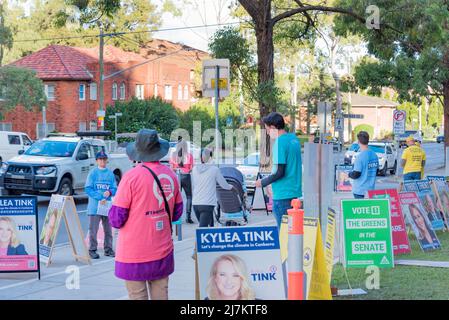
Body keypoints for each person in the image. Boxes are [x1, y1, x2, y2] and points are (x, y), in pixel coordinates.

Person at [108, 129, 183, 300]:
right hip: (162, 249)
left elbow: (116, 219)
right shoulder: (171, 175)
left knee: (137, 295)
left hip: (134, 253)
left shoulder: (131, 177)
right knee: (161, 294)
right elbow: (177, 213)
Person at [255, 112, 302, 229]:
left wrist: (263, 182)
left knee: (284, 234)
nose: (267, 132)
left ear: (273, 127)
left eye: (267, 129)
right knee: (294, 234)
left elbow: (280, 172)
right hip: (295, 192)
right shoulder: (293, 139)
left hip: (282, 195)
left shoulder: (280, 142)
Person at [85, 150, 117, 259]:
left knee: (108, 229)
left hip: (106, 206)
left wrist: (110, 192)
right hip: (95, 207)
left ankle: (108, 249)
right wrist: (100, 197)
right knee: (93, 229)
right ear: (97, 161)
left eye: (104, 159)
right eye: (100, 159)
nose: (102, 161)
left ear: (106, 160)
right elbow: (88, 189)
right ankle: (92, 250)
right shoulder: (93, 173)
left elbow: (114, 188)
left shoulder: (110, 173)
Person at [191, 148, 232, 227]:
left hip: (196, 203)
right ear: (210, 158)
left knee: (209, 226)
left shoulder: (194, 169)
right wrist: (231, 187)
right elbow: (224, 185)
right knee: (203, 230)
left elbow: (194, 184)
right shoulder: (214, 169)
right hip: (207, 204)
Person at [170, 136, 195, 224]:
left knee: (176, 197)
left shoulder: (173, 155)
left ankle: (176, 217)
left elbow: (172, 168)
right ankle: (188, 217)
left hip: (177, 176)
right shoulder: (189, 156)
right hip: (186, 176)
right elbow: (192, 168)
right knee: (189, 196)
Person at [348, 131, 379, 199]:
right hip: (370, 190)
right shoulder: (375, 155)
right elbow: (376, 171)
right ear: (368, 141)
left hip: (360, 191)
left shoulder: (360, 157)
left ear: (358, 142)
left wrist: (348, 174)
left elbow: (356, 174)